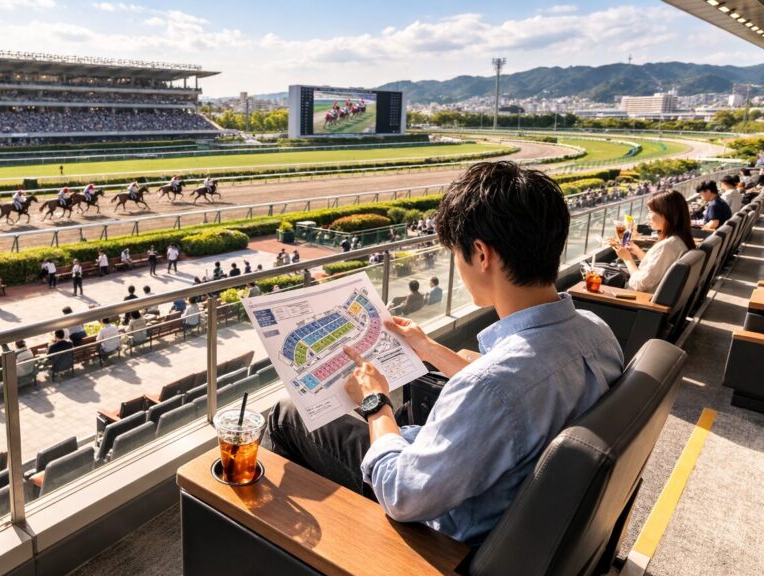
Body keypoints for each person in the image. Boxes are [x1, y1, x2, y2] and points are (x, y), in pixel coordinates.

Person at [260, 161, 624, 547]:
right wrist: (429, 349)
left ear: (482, 254)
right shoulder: (595, 332)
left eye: (455, 251)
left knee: (287, 413)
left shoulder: (490, 387)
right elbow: (531, 381)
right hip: (523, 521)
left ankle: (274, 547)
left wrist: (375, 403)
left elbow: (402, 494)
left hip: (440, 538)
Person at [611, 190, 695, 293]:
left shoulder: (667, 246)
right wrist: (638, 252)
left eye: (650, 212)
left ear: (666, 214)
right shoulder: (679, 240)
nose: (647, 216)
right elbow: (658, 267)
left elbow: (639, 284)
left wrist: (627, 259)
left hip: (637, 300)